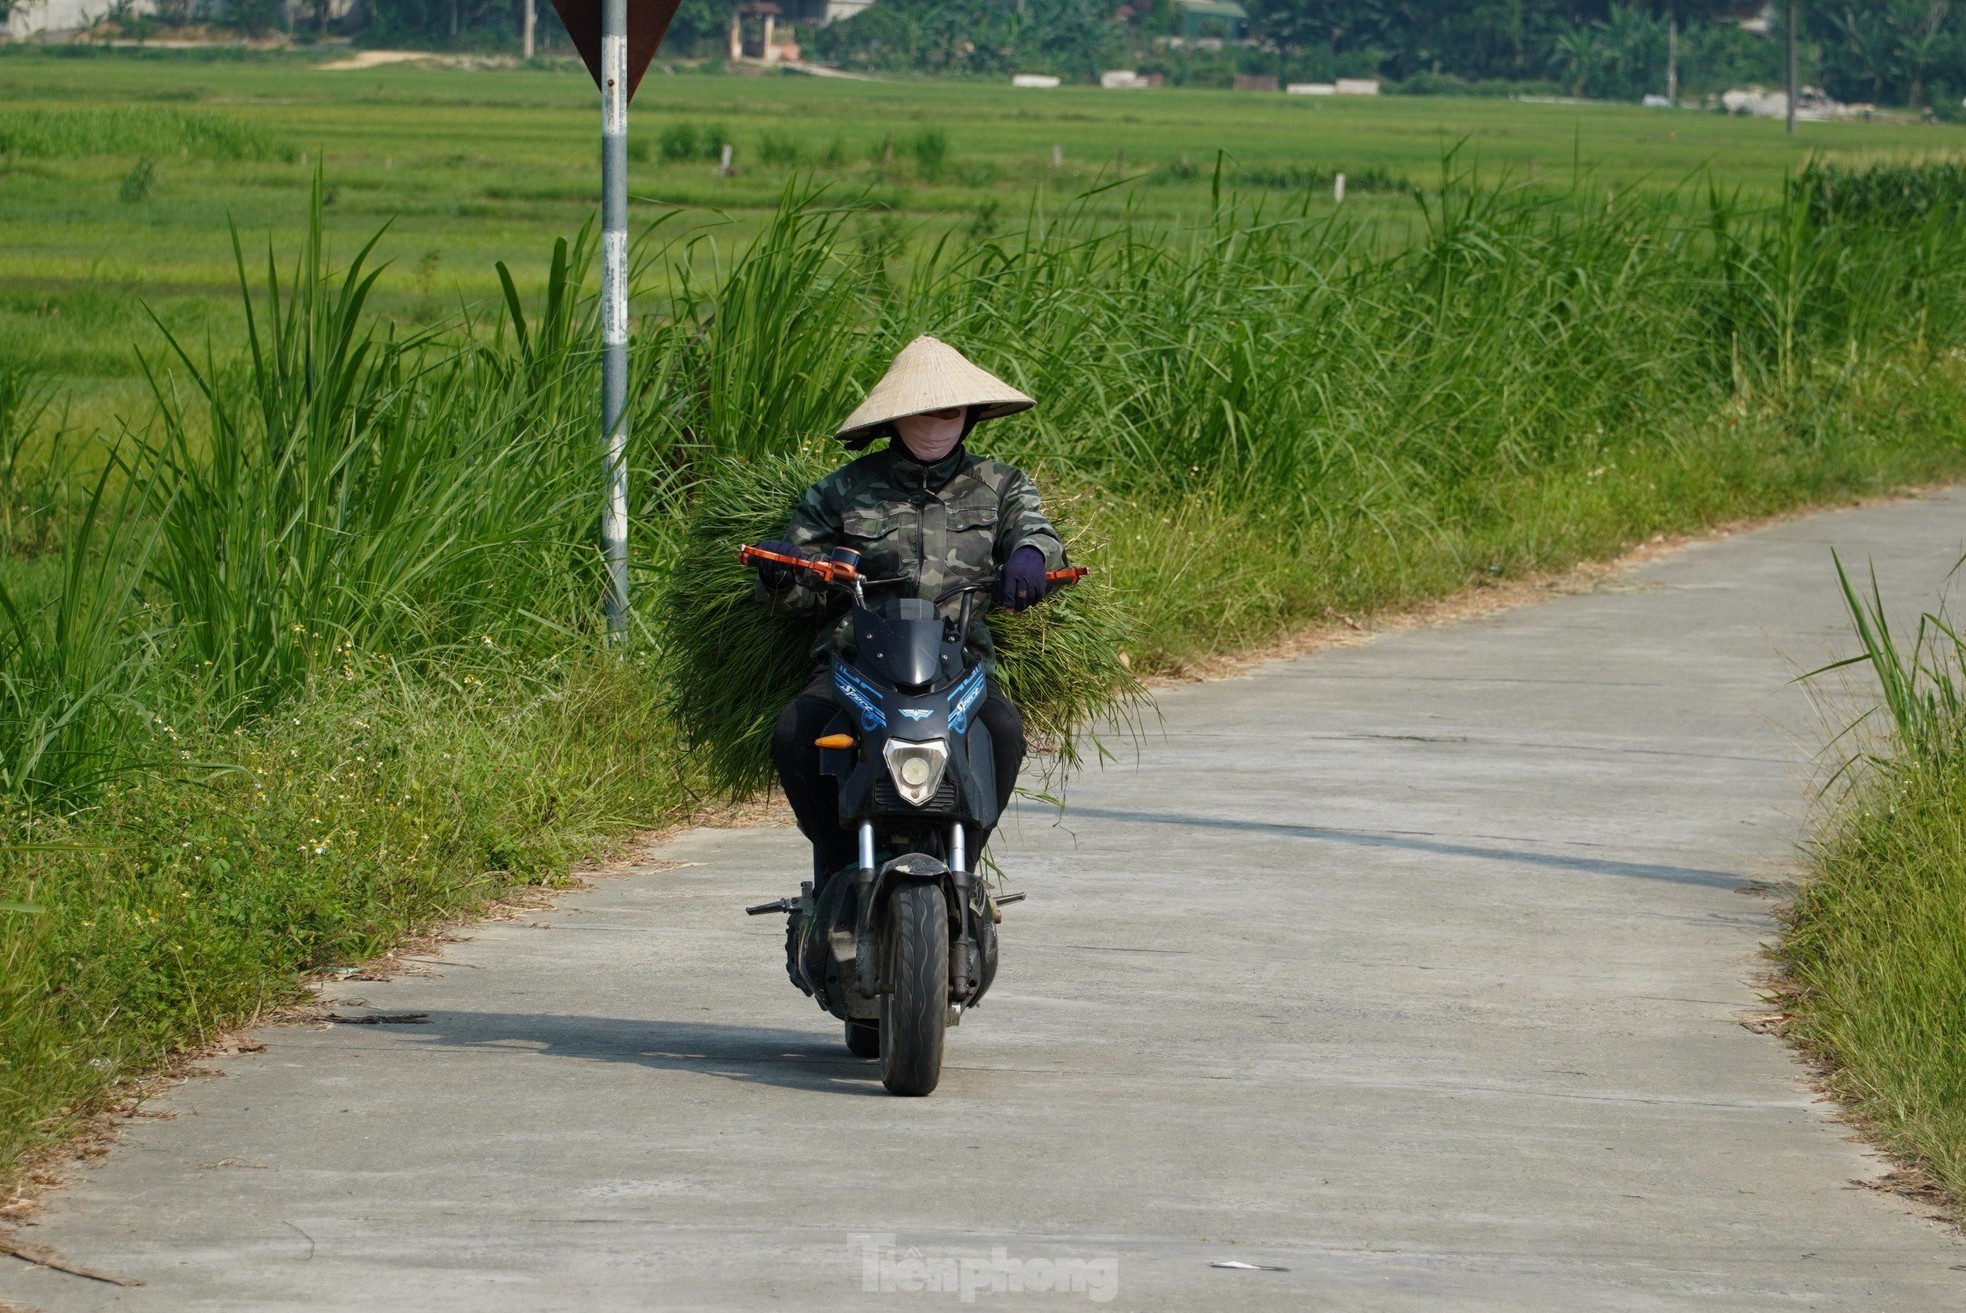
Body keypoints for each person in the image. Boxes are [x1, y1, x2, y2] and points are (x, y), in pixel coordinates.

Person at [753, 336, 1067, 882]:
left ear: (969, 416)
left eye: (948, 410)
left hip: (957, 664)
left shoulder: (1001, 485)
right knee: (795, 732)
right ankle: (837, 866)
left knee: (1003, 729)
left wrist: (1031, 558)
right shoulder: (843, 490)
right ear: (895, 418)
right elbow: (800, 588)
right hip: (857, 664)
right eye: (922, 411)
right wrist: (783, 572)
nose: (936, 422)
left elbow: (1036, 531)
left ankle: (963, 864)